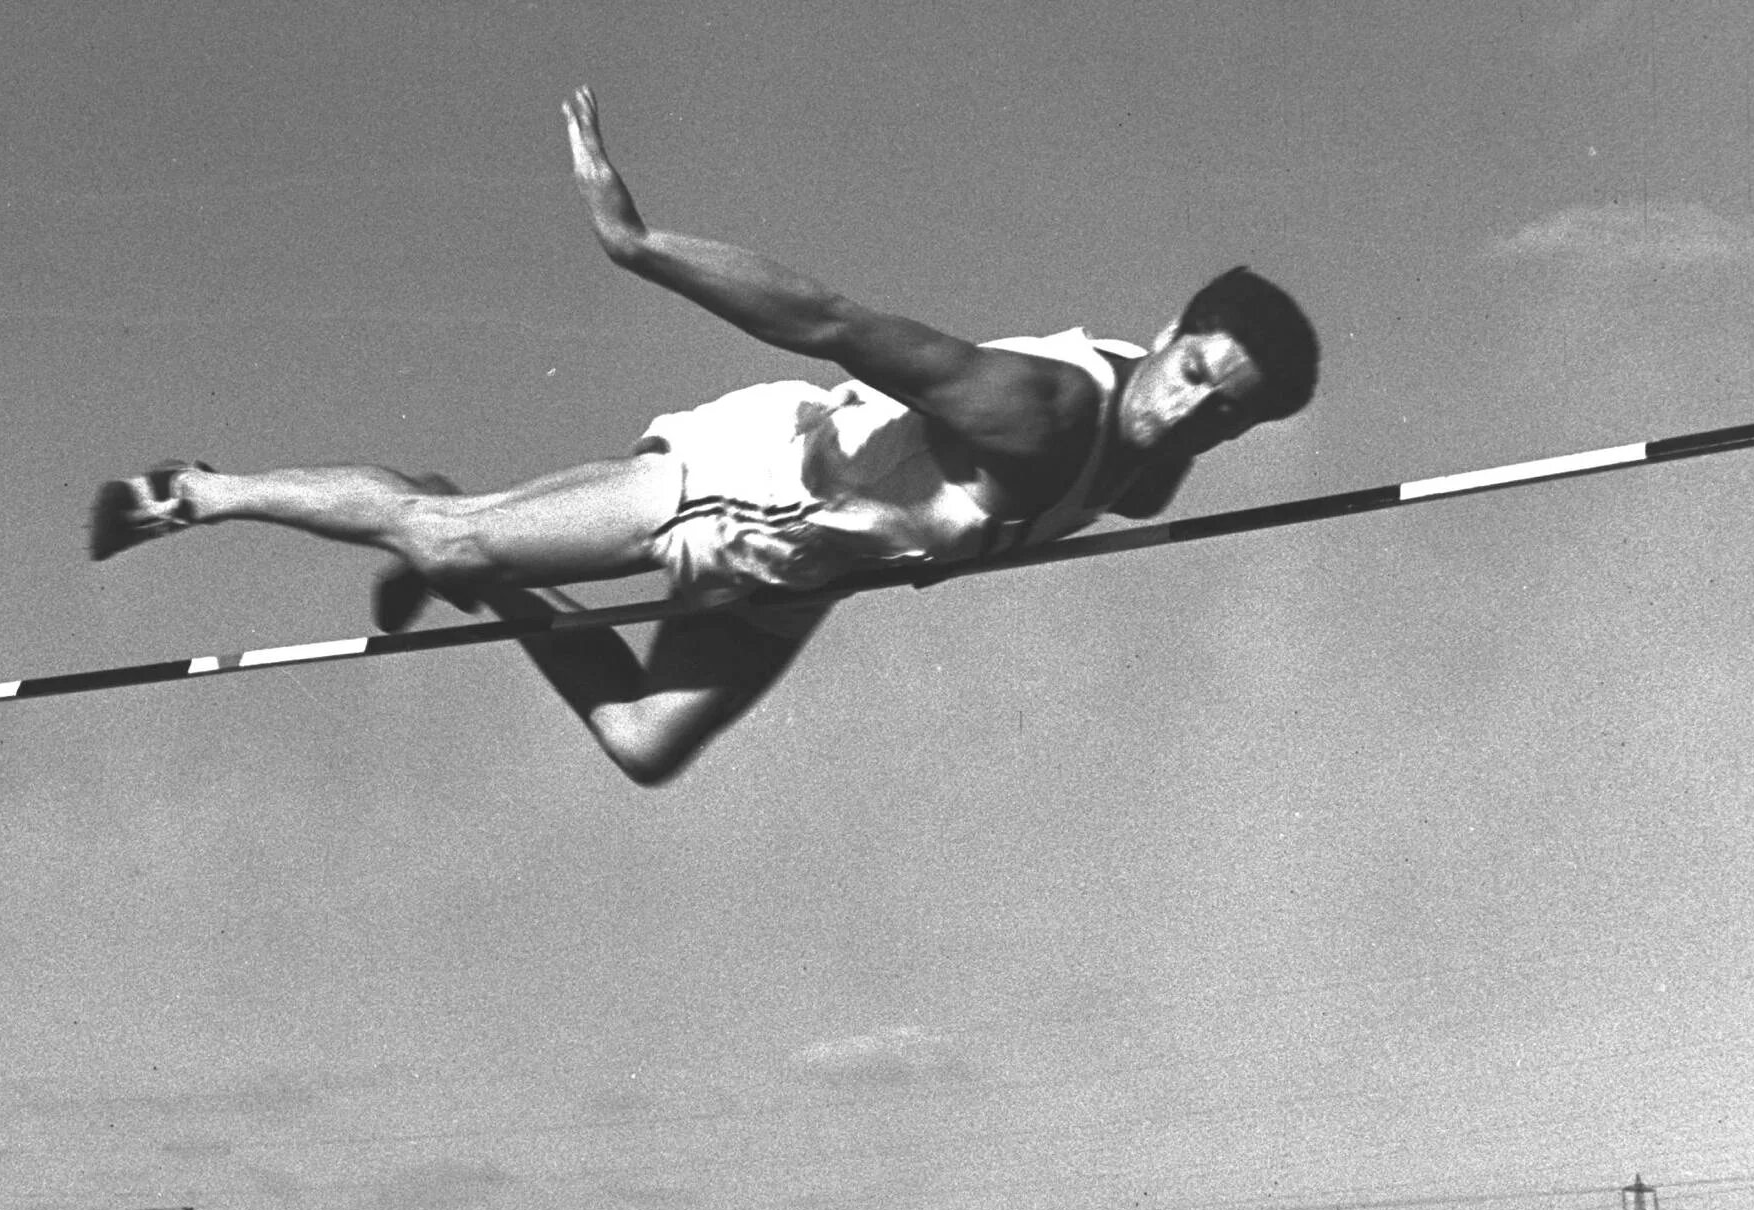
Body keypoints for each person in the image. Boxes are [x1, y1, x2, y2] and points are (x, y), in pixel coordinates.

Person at [91, 87, 1316, 787]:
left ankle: (463, 547)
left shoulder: (1157, 466)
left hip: (810, 567)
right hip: (750, 491)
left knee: (642, 740)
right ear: (1167, 329)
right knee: (448, 542)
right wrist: (641, 246)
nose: (1189, 410)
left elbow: (1130, 471)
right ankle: (205, 490)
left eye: (1225, 412)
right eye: (1193, 373)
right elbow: (836, 323)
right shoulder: (1042, 409)